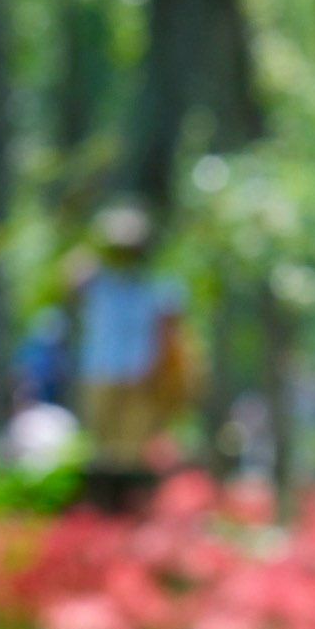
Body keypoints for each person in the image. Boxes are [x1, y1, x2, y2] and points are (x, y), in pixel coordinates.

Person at [75, 203, 193, 513]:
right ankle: (103, 516)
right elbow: (70, 279)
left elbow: (171, 331)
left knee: (133, 452)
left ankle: (130, 516)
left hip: (141, 376)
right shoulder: (97, 281)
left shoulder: (159, 287)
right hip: (101, 372)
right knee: (103, 452)